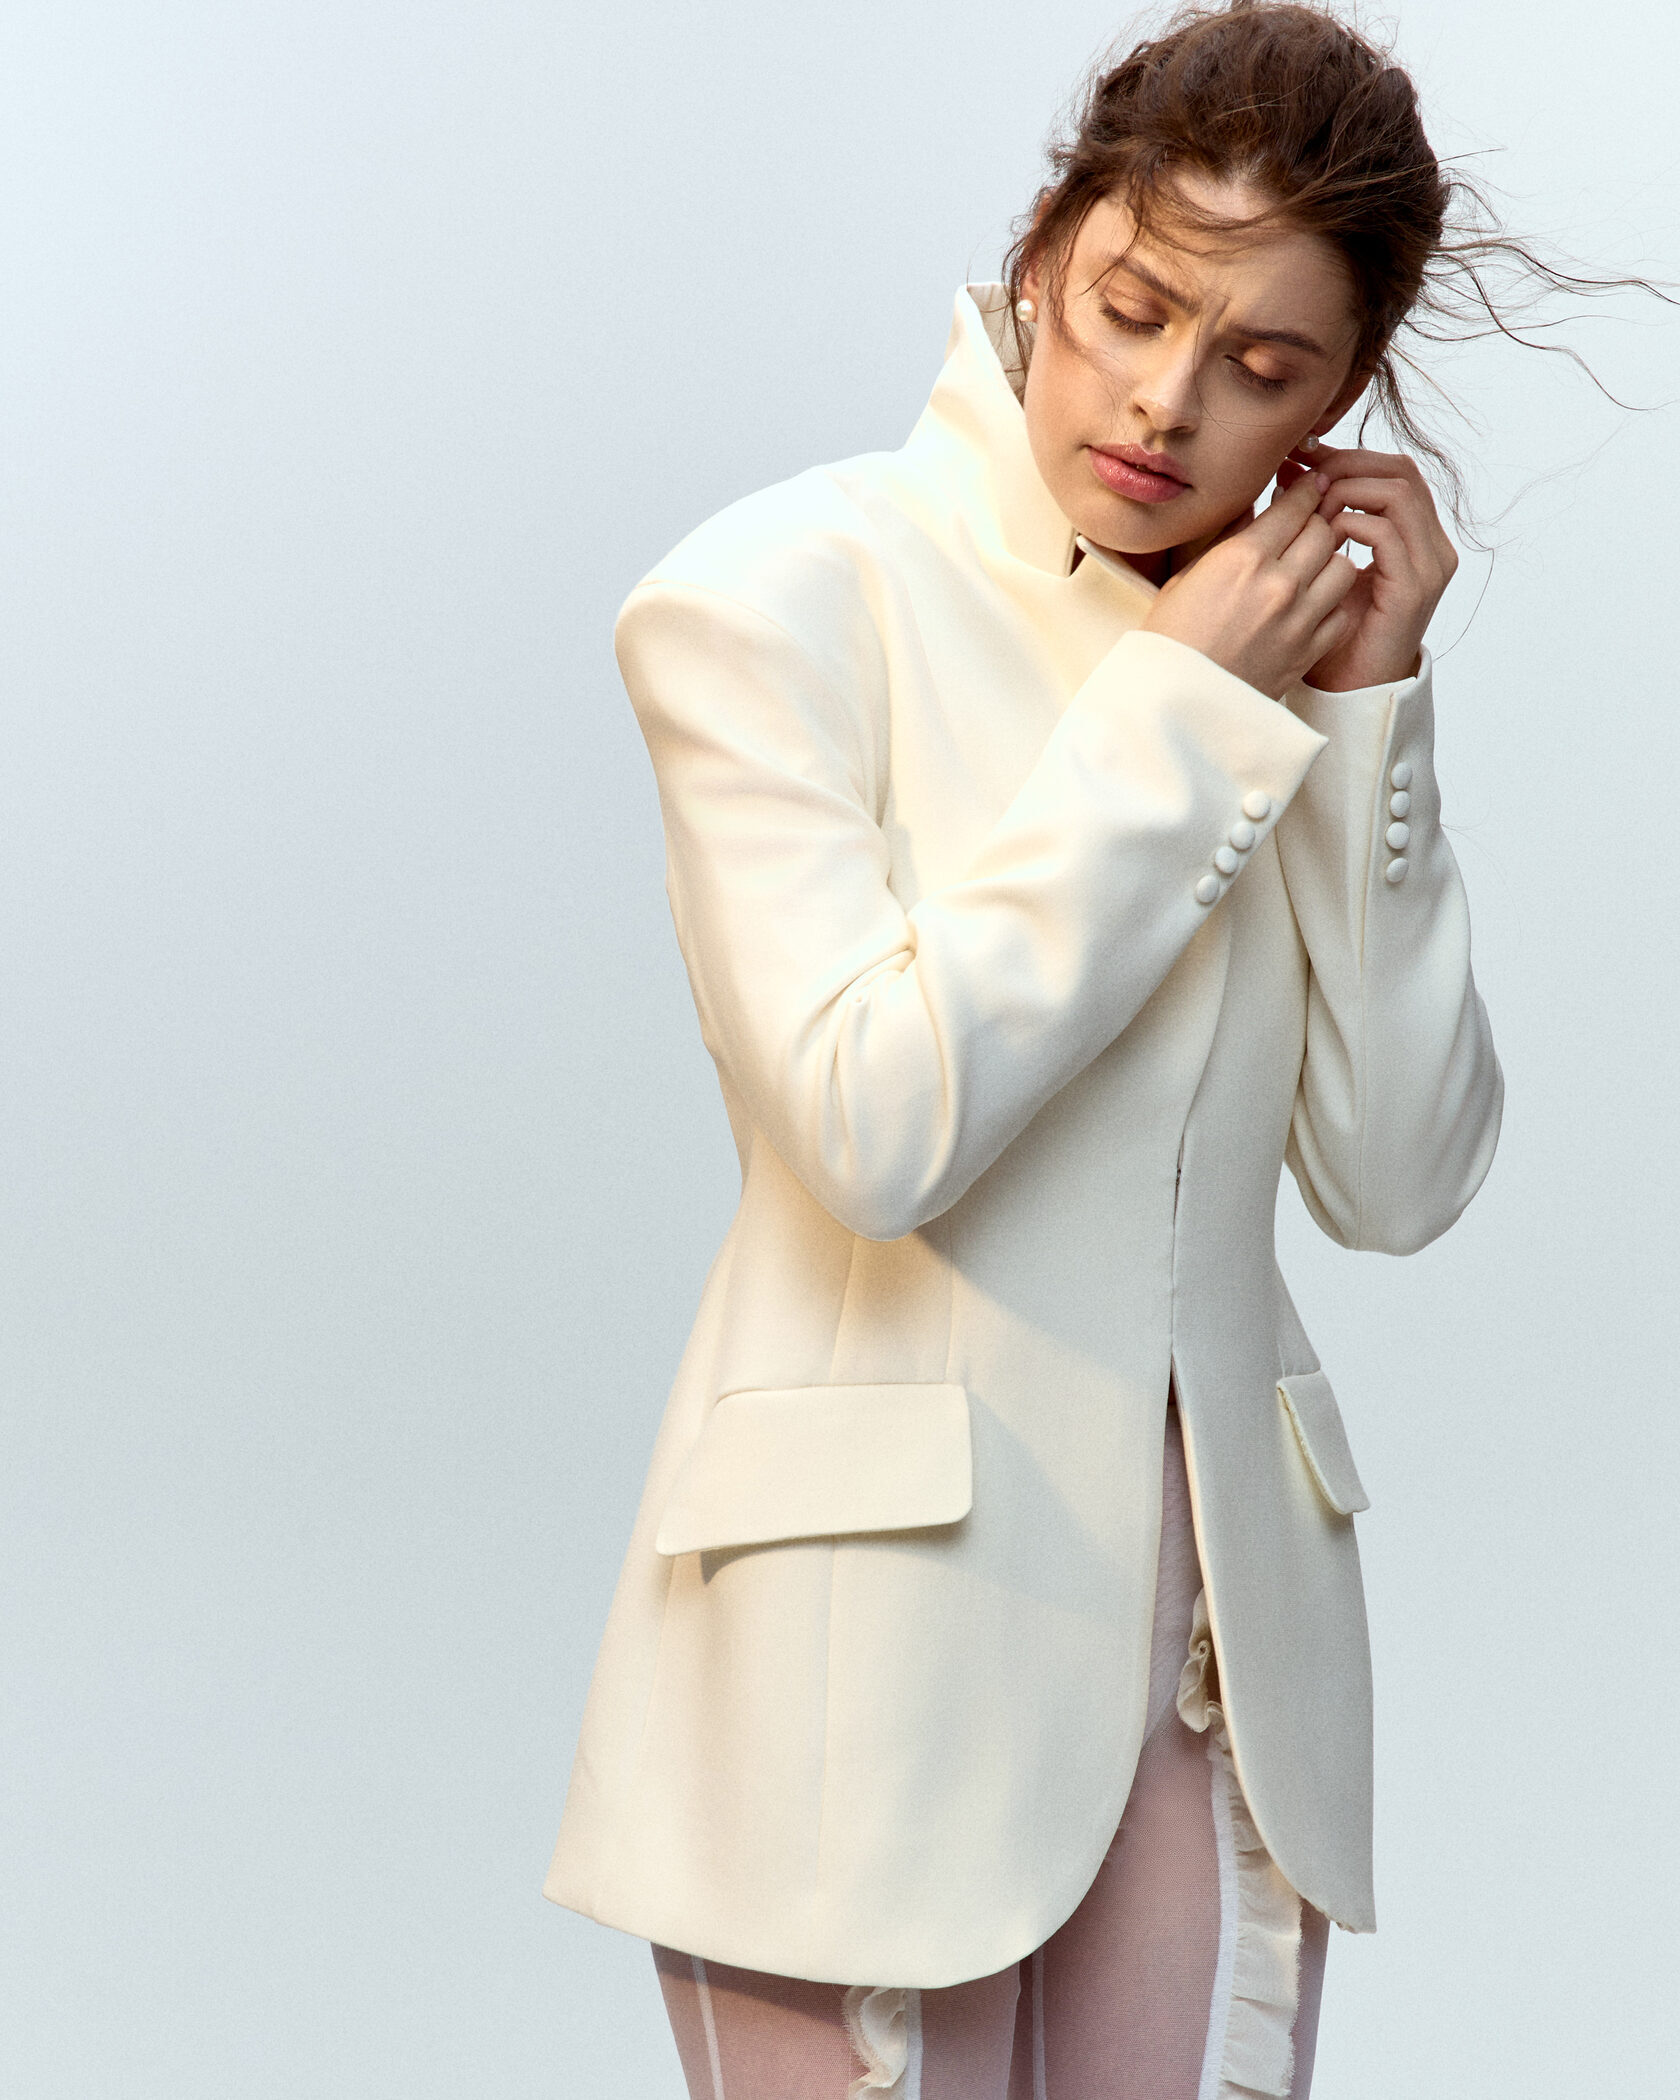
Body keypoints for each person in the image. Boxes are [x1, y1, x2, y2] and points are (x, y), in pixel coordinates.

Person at [544, 4, 1582, 2092]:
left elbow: (1395, 1180)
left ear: (1343, 393)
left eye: (1264, 365)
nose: (1168, 401)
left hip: (1222, 1671)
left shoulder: (1282, 653)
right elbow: (871, 1122)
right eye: (1133, 309)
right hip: (862, 1650)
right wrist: (1181, 720)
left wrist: (1370, 718)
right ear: (1044, 254)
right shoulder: (774, 600)